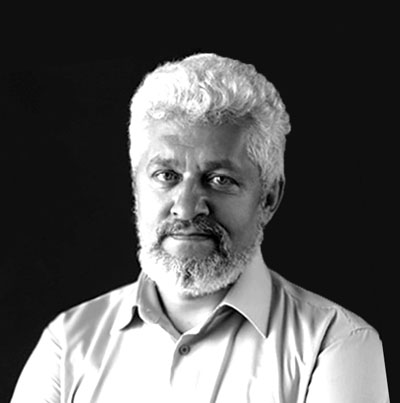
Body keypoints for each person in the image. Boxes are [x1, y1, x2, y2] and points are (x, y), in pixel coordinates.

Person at [10, 53, 389, 403]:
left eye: (220, 179)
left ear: (269, 198)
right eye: (166, 175)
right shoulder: (67, 344)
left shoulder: (334, 343)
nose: (187, 207)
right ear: (136, 187)